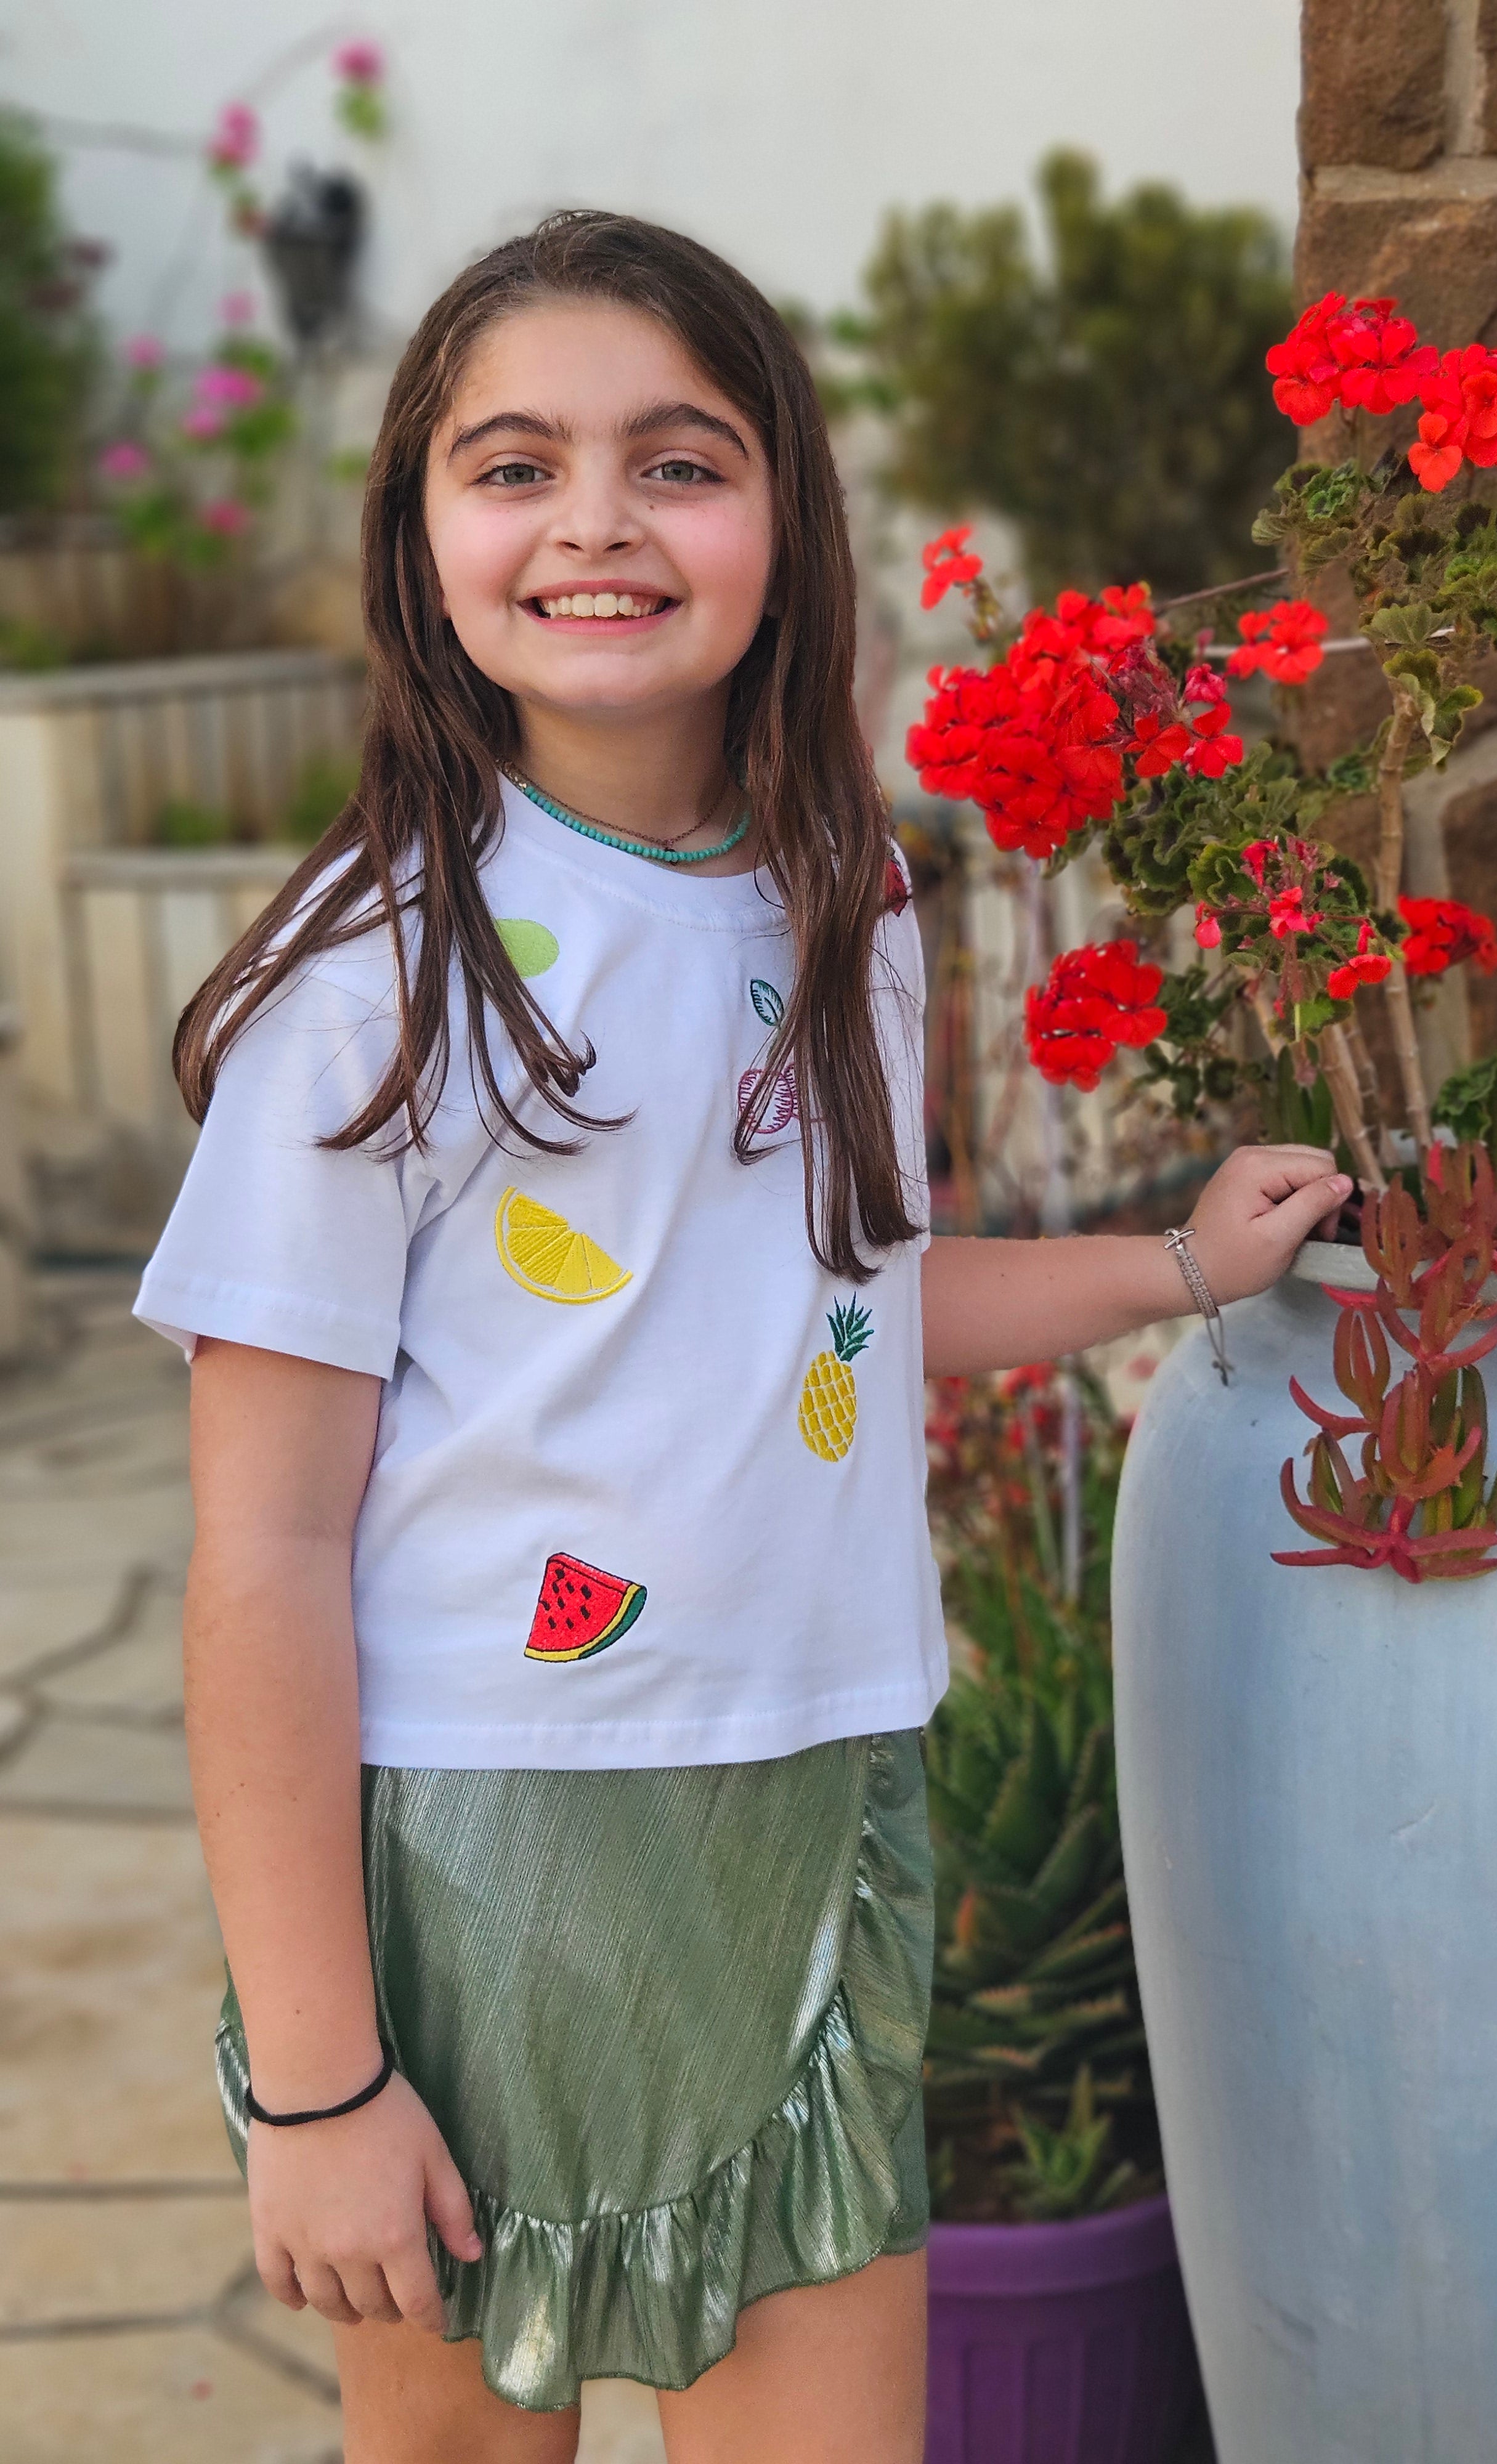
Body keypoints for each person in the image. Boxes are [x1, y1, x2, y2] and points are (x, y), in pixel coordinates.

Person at [135, 211, 1349, 2464]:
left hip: (818, 1805)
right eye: (516, 467)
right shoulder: (374, 974)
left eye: (676, 463)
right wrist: (316, 2083)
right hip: (478, 1846)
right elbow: (265, 1550)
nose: (595, 520)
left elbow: (839, 1299)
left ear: (786, 523)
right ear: (419, 539)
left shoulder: (846, 896)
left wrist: (1175, 1266)